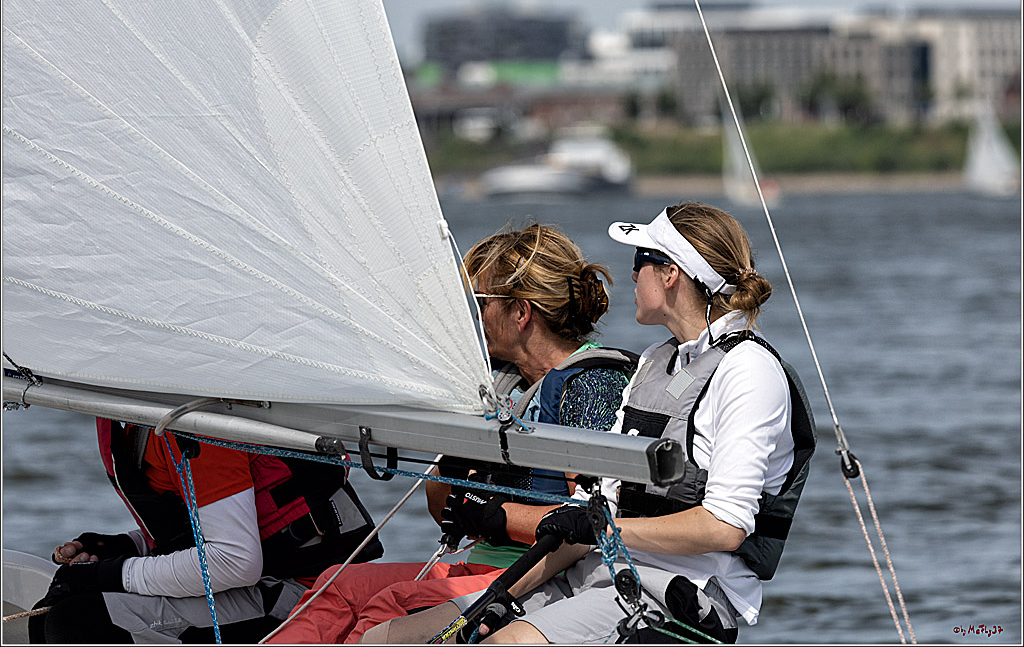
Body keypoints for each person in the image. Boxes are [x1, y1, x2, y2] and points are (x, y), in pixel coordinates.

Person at [364, 201, 816, 644]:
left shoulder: (748, 371)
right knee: (393, 636)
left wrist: (602, 528)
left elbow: (724, 526)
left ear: (671, 273)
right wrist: (503, 593)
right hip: (595, 570)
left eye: (642, 262)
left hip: (678, 592)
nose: (633, 275)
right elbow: (587, 517)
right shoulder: (656, 363)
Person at [264, 222, 638, 644]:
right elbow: (439, 505)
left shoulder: (592, 384)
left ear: (520, 312)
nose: (472, 318)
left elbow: (591, 524)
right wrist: (457, 476)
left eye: (481, 303)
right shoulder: (498, 386)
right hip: (478, 560)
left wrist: (494, 513)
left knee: (389, 606)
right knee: (336, 584)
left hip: (536, 575)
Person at [29, 419, 384, 643]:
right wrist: (125, 547)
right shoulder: (132, 415)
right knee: (48, 612)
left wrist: (112, 574)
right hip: (256, 577)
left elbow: (234, 561)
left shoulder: (201, 422)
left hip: (307, 591)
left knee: (76, 622)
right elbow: (207, 528)